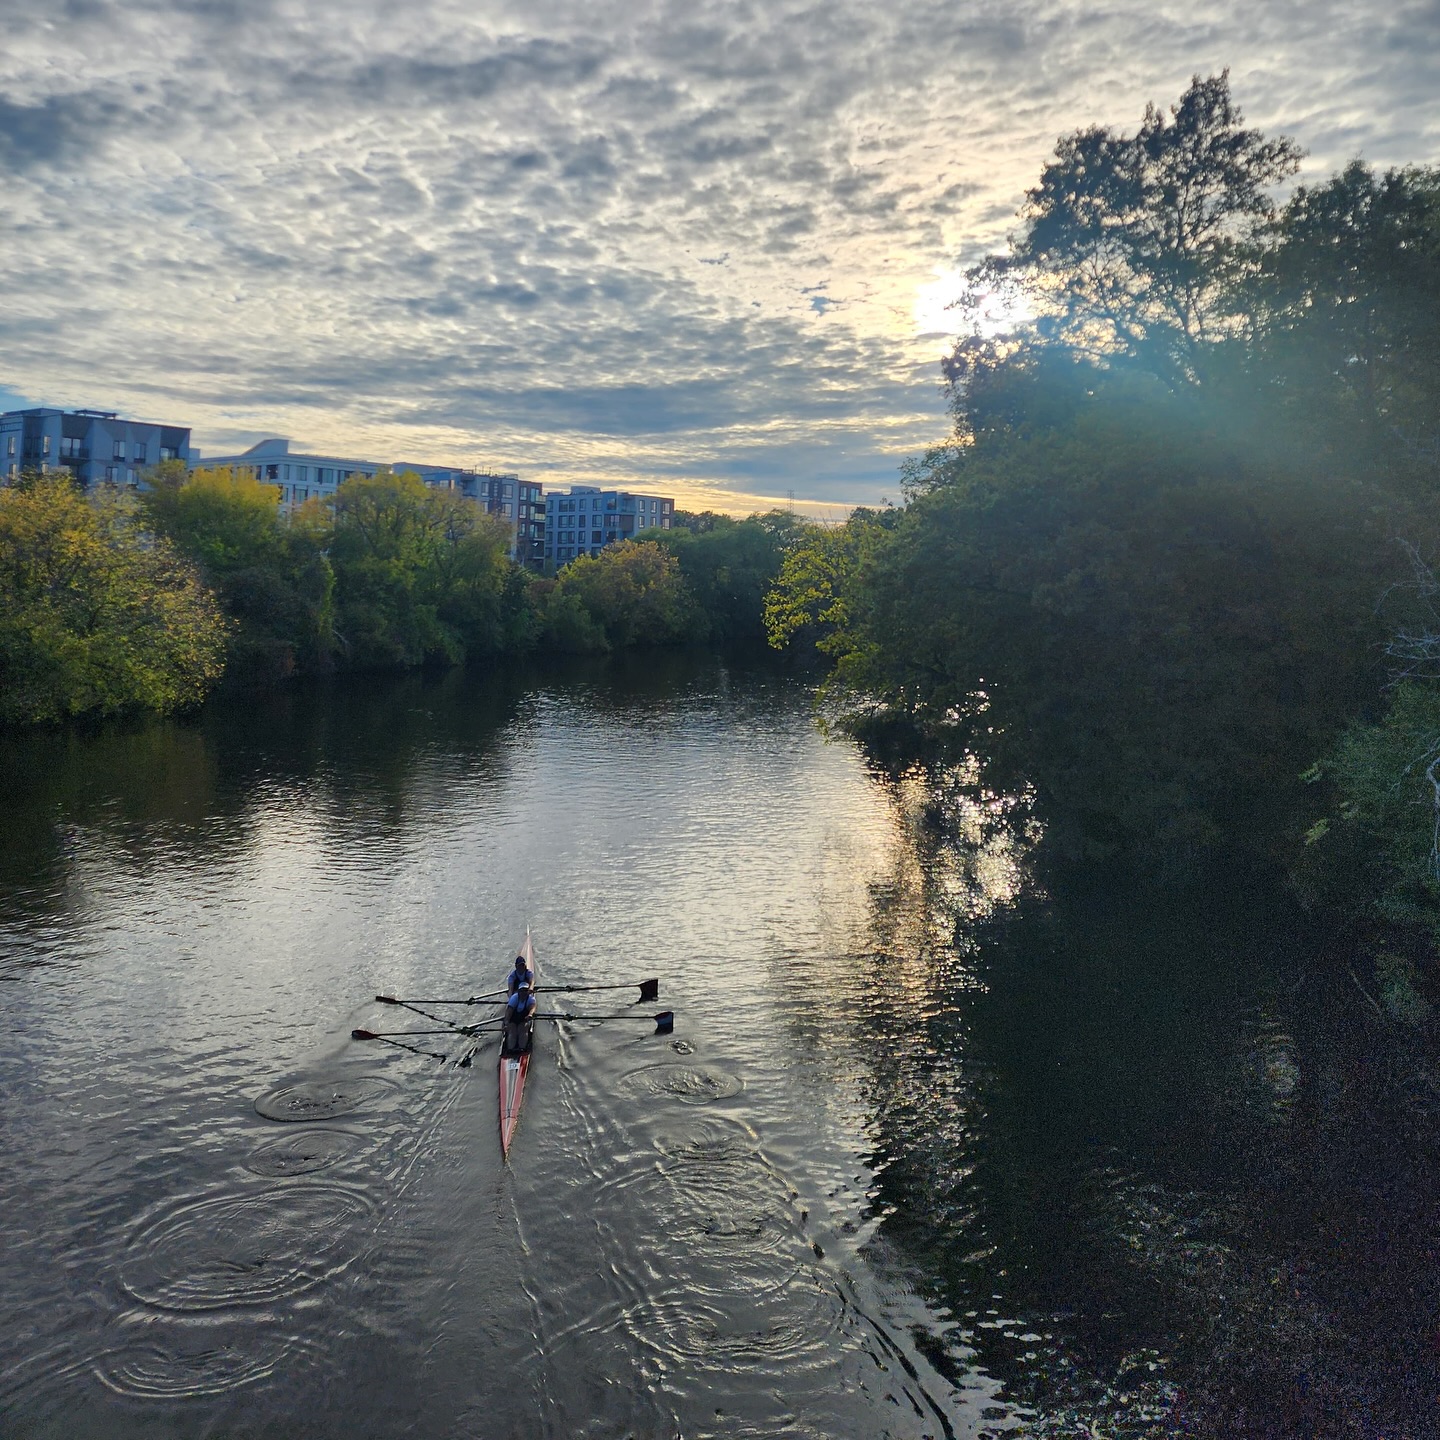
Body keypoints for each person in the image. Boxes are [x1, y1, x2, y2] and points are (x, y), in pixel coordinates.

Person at [504, 979, 536, 1054]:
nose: (523, 992)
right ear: (518, 991)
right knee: (512, 1030)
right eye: (521, 991)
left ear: (528, 991)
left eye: (525, 990)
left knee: (523, 1029)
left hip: (524, 1019)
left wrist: (530, 1015)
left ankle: (522, 1049)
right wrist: (506, 1023)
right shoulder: (514, 998)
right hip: (513, 1018)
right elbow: (509, 1012)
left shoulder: (531, 999)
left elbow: (532, 1008)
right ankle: (510, 1050)